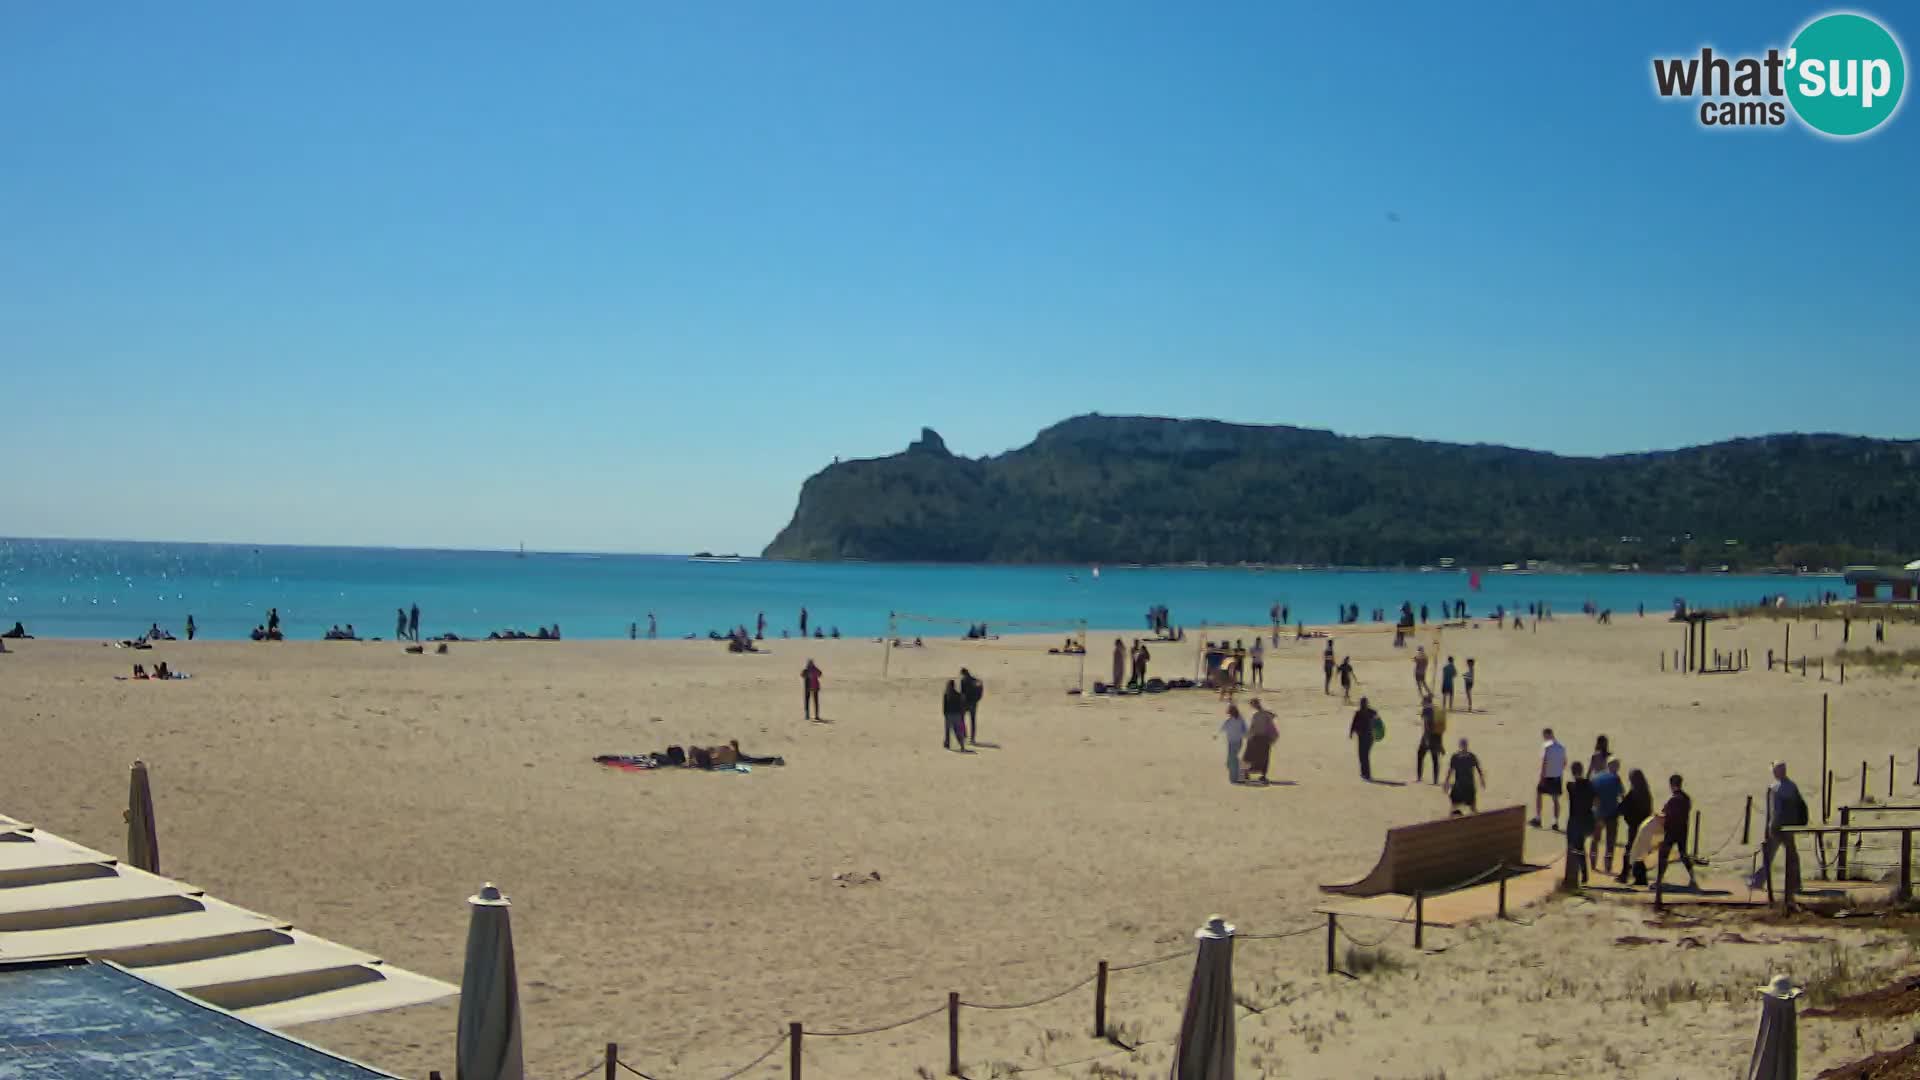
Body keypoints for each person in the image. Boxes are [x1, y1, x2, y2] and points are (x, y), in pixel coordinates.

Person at [1750, 762, 1806, 893]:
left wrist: (1771, 827)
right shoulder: (1792, 786)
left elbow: (1775, 810)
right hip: (1789, 826)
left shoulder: (1774, 787)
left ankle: (1757, 881)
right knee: (1792, 856)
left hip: (1777, 826)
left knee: (1769, 856)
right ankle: (1795, 885)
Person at [1655, 774, 1701, 891]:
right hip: (1682, 830)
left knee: (1663, 854)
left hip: (1671, 831)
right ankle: (1693, 879)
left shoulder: (1673, 799)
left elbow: (1665, 813)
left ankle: (1659, 881)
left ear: (1672, 785)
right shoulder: (1686, 798)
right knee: (1683, 855)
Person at [1589, 759, 1625, 874]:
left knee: (1595, 839)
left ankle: (1593, 862)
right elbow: (1622, 795)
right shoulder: (1616, 779)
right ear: (1613, 766)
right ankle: (1608, 865)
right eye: (1617, 765)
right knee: (1610, 841)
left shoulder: (1596, 777)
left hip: (1598, 813)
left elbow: (1591, 796)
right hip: (1612, 814)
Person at [1565, 762, 1595, 884]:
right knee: (1580, 847)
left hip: (1575, 820)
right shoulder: (1590, 785)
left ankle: (1575, 875)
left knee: (1573, 847)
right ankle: (1583, 874)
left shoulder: (1570, 786)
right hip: (1587, 819)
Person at [1532, 728, 1567, 830]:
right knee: (1555, 799)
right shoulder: (1561, 747)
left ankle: (1538, 818)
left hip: (1547, 776)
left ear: (1546, 735)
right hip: (1557, 776)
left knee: (1539, 793)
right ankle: (1555, 822)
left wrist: (1541, 776)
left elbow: (1544, 762)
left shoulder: (1546, 746)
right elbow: (1564, 763)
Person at [1444, 737, 1485, 815]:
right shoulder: (1455, 757)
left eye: (1464, 745)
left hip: (1468, 785)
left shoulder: (1471, 756)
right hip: (1459, 785)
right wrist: (1446, 782)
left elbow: (1478, 768)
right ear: (1460, 746)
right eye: (1462, 745)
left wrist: (1482, 779)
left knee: (1472, 806)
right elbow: (1450, 770)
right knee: (1454, 806)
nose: (1463, 747)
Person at [1244, 698, 1278, 784]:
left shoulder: (1257, 715)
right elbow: (1272, 720)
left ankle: (1248, 773)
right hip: (1264, 738)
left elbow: (1253, 727)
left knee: (1251, 756)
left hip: (1257, 738)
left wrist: (1248, 736)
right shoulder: (1264, 714)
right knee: (1263, 757)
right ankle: (1262, 776)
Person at [1416, 694, 1444, 783]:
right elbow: (1440, 728)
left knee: (1420, 755)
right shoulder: (1438, 710)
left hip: (1428, 737)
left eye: (1424, 702)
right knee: (1435, 759)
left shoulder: (1426, 710)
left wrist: (1426, 739)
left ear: (1426, 701)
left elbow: (1426, 725)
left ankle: (1419, 777)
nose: (1422, 703)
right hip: (1437, 737)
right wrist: (1440, 744)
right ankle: (1435, 780)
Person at [1349, 697, 1378, 780]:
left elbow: (1353, 724)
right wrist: (1351, 733)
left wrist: (1351, 733)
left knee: (1363, 755)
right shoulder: (1371, 712)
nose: (1362, 705)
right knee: (1363, 755)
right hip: (1366, 737)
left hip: (1366, 737)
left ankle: (1366, 774)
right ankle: (1364, 773)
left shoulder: (1363, 713)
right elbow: (1354, 724)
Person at [1218, 703, 1247, 784]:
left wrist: (1216, 735)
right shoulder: (1238, 719)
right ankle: (1239, 775)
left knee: (1232, 760)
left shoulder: (1232, 719)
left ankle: (1235, 778)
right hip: (1235, 741)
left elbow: (1223, 728)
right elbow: (1245, 729)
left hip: (1234, 742)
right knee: (1232, 759)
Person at [959, 668, 984, 744]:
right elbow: (980, 690)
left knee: (962, 719)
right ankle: (972, 738)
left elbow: (962, 693)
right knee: (972, 721)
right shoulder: (975, 680)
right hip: (973, 703)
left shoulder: (963, 681)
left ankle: (964, 735)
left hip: (966, 703)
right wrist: (977, 699)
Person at [942, 680, 968, 750]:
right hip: (957, 715)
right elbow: (961, 706)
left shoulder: (946, 695)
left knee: (947, 731)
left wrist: (945, 714)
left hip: (949, 715)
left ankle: (947, 744)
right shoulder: (958, 695)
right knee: (958, 731)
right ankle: (962, 745)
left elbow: (944, 707)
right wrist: (962, 715)